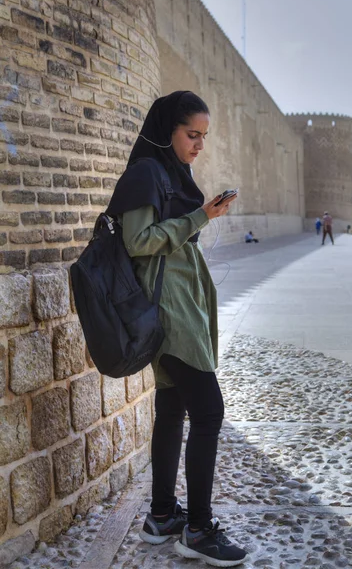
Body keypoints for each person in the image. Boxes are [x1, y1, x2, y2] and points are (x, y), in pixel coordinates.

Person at [106, 91, 248, 567]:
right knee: (208, 411)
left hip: (181, 307)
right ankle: (199, 530)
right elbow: (139, 240)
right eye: (192, 135)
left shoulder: (173, 174)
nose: (199, 145)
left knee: (171, 410)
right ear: (168, 130)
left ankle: (162, 515)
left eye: (204, 137)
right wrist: (200, 215)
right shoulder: (146, 173)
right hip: (168, 313)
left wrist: (199, 214)